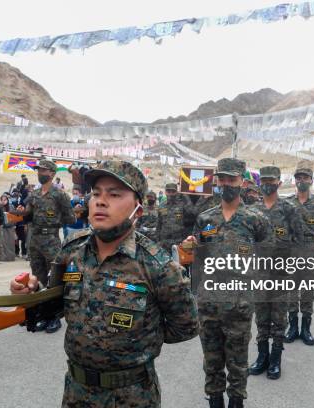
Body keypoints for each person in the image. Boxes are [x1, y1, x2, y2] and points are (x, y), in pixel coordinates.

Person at [10, 160, 198, 407]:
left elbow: (186, 326)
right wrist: (30, 294)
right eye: (96, 193)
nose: (100, 200)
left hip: (132, 396)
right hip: (76, 392)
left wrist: (139, 337)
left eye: (114, 194)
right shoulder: (71, 251)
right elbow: (53, 306)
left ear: (138, 210)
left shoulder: (158, 266)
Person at [184, 158, 270, 408]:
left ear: (242, 182)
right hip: (208, 302)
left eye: (232, 179)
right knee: (211, 358)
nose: (227, 184)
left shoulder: (256, 218)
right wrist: (190, 248)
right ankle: (214, 399)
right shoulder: (205, 218)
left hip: (240, 304)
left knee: (238, 358)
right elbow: (197, 255)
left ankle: (236, 400)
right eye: (222, 179)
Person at [249, 166, 303, 380]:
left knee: (278, 319)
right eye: (264, 180)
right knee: (261, 318)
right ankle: (262, 357)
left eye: (271, 180)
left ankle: (275, 360)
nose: (267, 184)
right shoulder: (253, 209)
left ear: (279, 183)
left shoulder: (289, 209)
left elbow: (299, 240)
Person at [13, 159, 76, 333]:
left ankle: (54, 317)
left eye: (43, 171)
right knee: (38, 278)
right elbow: (27, 212)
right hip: (34, 239)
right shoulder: (33, 194)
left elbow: (71, 218)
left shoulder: (60, 194)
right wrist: (21, 211)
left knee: (54, 279)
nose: (40, 173)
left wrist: (54, 221)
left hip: (51, 240)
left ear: (52, 173)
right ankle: (43, 314)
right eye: (38, 170)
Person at [285, 166, 314, 346]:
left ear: (311, 180)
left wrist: (311, 232)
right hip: (291, 249)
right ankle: (293, 327)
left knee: (308, 289)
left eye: (305, 177)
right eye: (298, 178)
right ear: (295, 181)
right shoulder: (286, 203)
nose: (301, 181)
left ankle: (306, 328)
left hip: (310, 249)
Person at [157, 183, 196, 252]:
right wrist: (158, 240)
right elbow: (159, 224)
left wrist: (185, 197)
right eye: (168, 191)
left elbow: (192, 213)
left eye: (173, 191)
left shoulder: (182, 204)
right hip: (164, 242)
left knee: (178, 262)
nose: (171, 194)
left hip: (178, 242)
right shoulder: (161, 205)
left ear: (177, 192)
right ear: (165, 192)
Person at [0, 194, 16, 262]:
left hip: (11, 227)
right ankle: (4, 257)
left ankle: (11, 257)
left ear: (7, 200)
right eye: (2, 200)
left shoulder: (11, 206)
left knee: (11, 243)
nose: (3, 201)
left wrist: (14, 225)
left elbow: (15, 216)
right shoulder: (0, 207)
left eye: (5, 200)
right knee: (4, 243)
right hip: (3, 227)